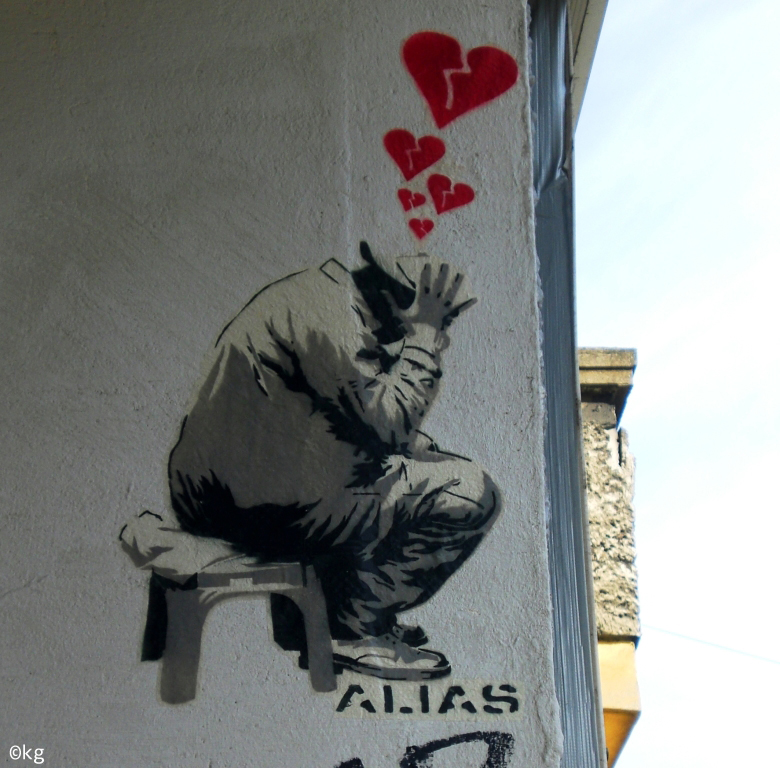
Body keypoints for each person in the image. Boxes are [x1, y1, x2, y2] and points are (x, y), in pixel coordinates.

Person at [126, 241, 501, 681]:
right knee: (471, 493)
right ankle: (353, 627)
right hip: (260, 507)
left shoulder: (316, 297)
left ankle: (336, 614)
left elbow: (346, 419)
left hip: (228, 493)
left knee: (417, 466)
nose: (436, 335)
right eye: (439, 320)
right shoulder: (330, 317)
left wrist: (420, 448)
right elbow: (388, 421)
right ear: (397, 303)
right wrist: (426, 336)